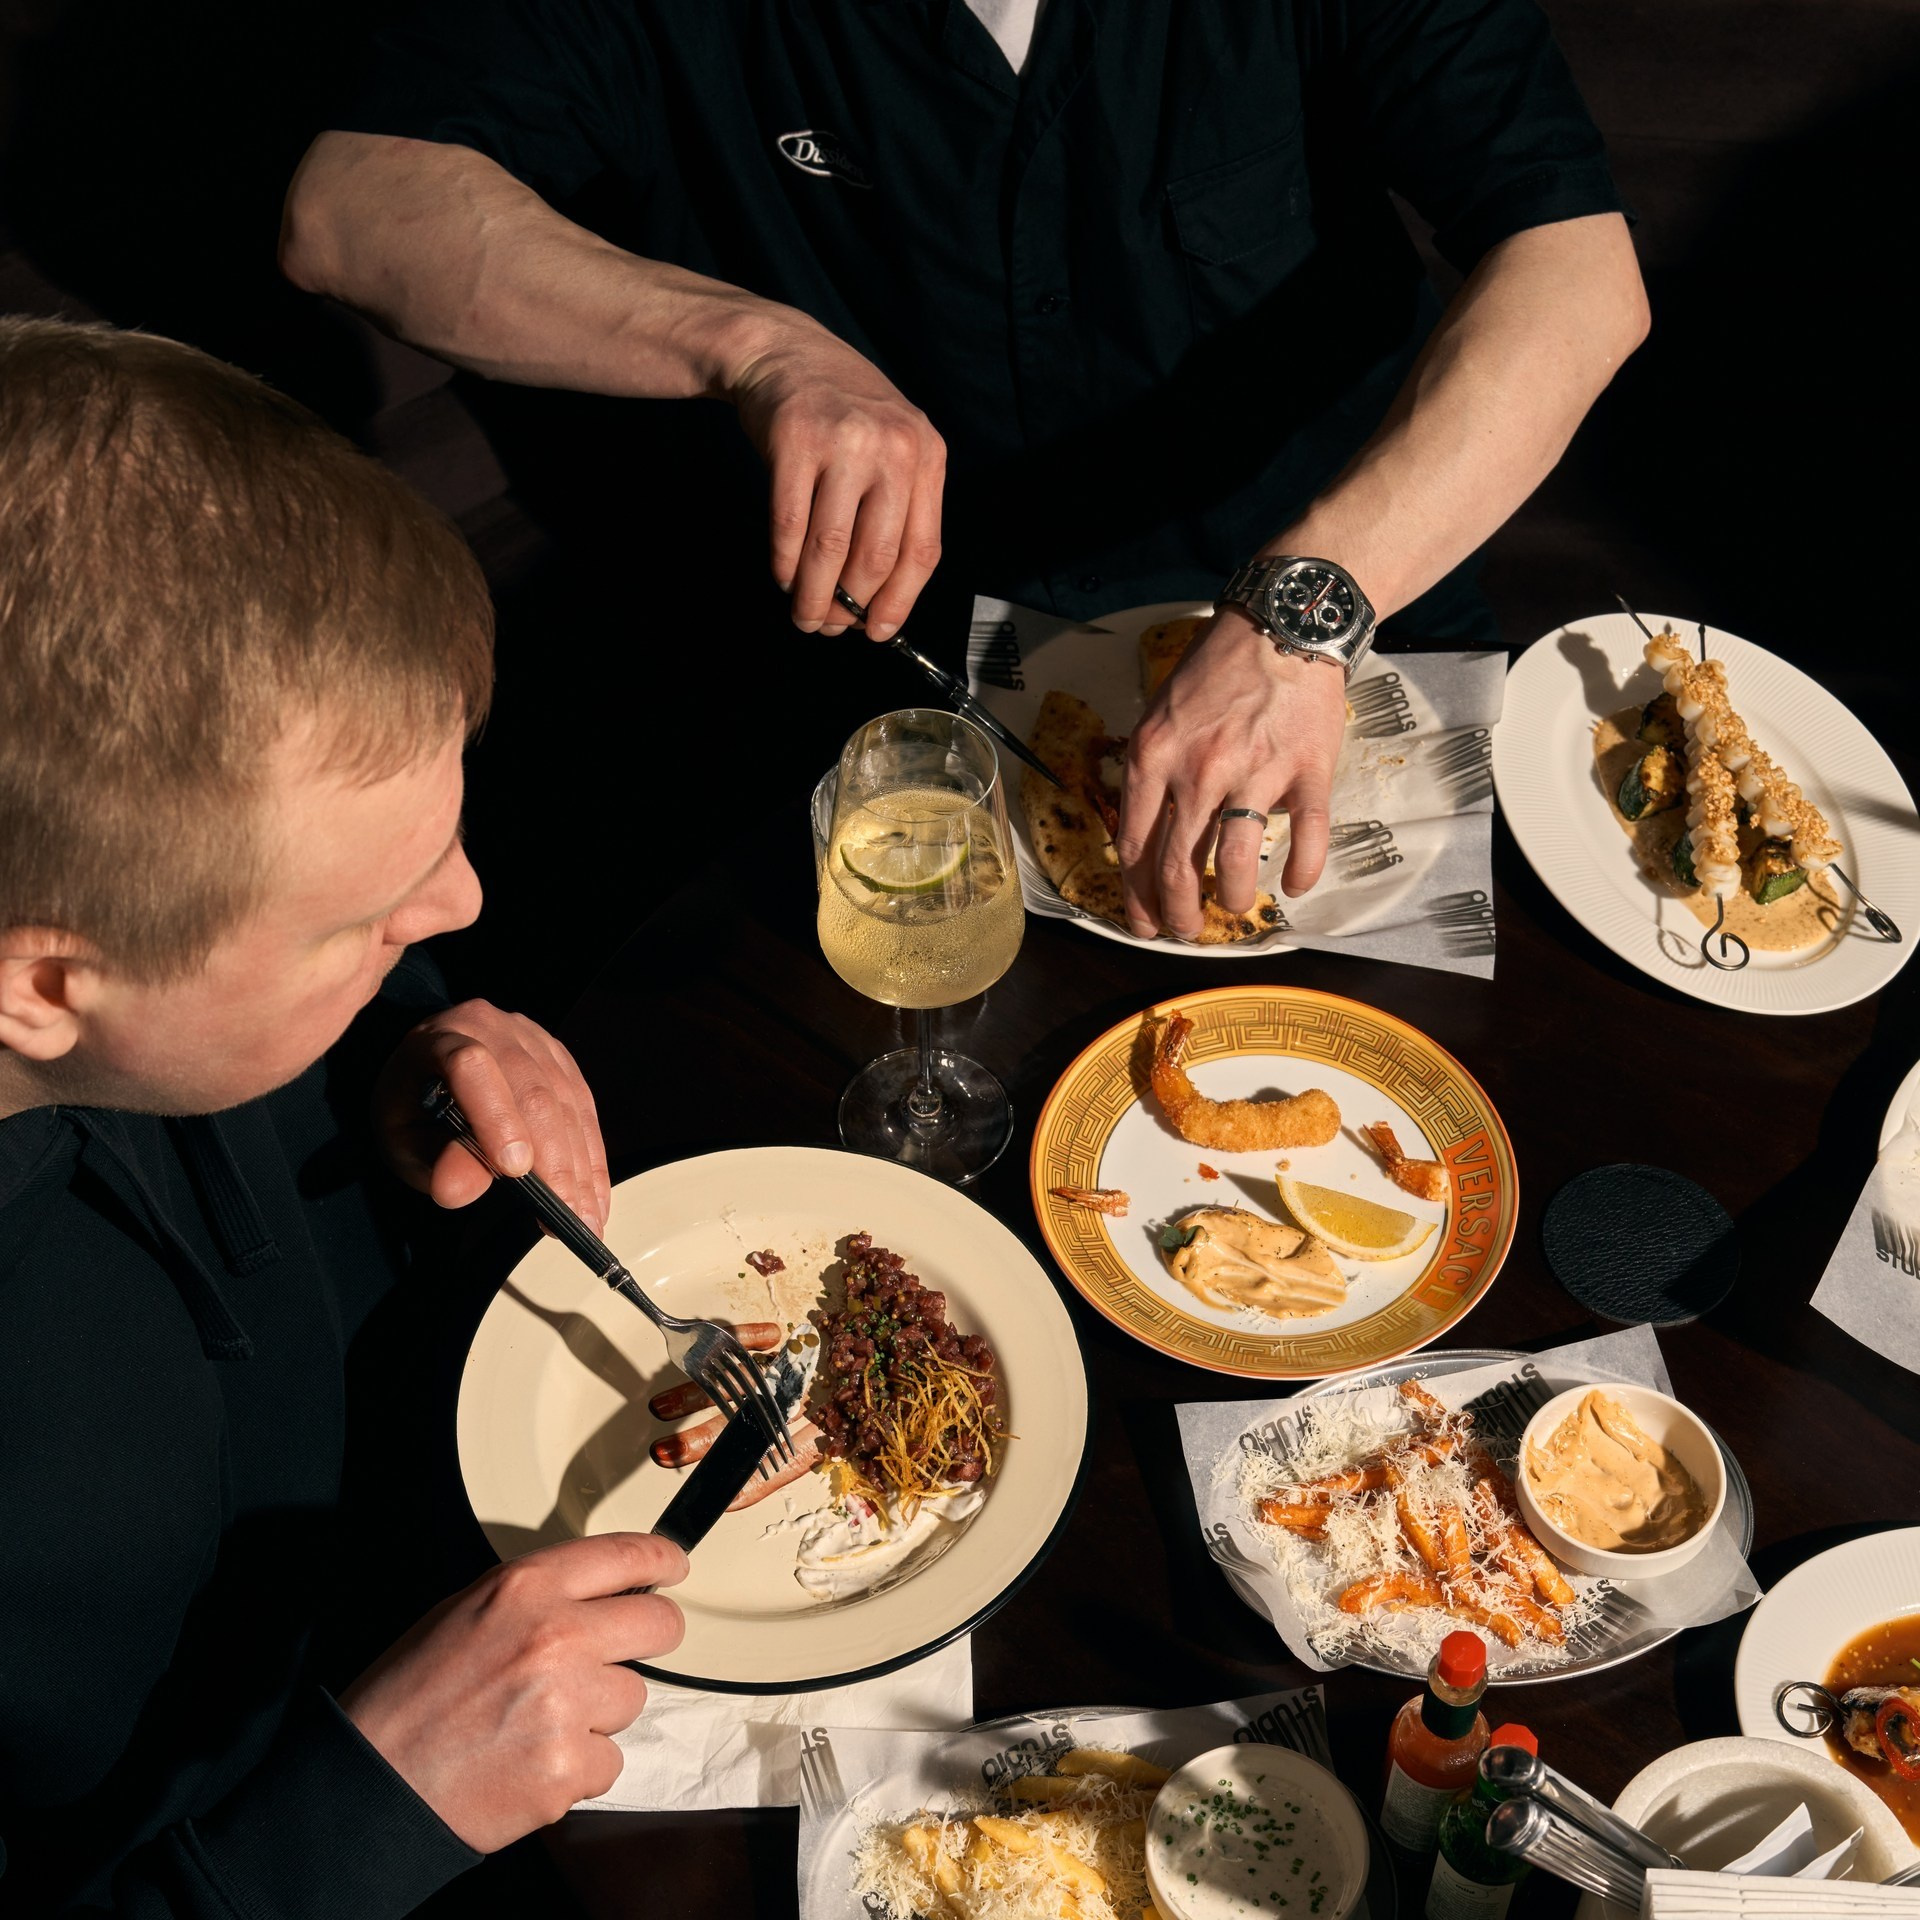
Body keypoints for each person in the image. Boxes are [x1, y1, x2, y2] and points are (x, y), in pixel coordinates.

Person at [279, 0, 1649, 947]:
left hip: (1345, 651)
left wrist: (1307, 611)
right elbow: (353, 207)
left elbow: (1583, 279)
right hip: (901, 694)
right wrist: (759, 348)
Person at [0, 317, 684, 1916]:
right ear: (43, 985)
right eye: (359, 919)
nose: (461, 906)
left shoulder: (111, 958)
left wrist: (394, 1039)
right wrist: (358, 1812)